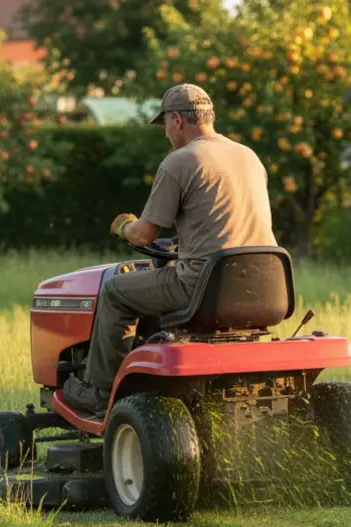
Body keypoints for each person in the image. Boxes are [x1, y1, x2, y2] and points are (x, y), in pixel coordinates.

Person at [62, 83, 277, 415]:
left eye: (165, 125)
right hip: (266, 288)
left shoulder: (180, 161)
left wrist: (123, 227)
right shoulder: (248, 155)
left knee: (115, 290)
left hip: (202, 287)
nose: (166, 133)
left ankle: (99, 393)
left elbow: (145, 234)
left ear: (177, 119)